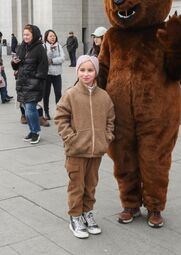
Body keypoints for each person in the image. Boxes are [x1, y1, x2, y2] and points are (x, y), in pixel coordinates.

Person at [55, 55, 115, 239]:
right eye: (82, 70)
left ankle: (87, 212)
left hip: (96, 151)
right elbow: (60, 117)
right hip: (76, 151)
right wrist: (70, 138)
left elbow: (110, 120)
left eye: (90, 70)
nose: (86, 74)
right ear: (77, 72)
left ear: (96, 72)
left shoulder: (104, 96)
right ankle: (75, 216)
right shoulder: (71, 94)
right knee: (77, 185)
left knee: (90, 185)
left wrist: (107, 137)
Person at [12, 24, 49, 144]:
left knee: (30, 109)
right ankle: (32, 131)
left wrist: (37, 80)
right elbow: (17, 65)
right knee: (26, 109)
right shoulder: (22, 47)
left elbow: (43, 68)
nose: (25, 37)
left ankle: (36, 132)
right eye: (24, 34)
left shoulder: (39, 48)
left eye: (28, 34)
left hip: (34, 84)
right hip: (23, 83)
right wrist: (14, 62)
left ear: (34, 35)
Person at [43, 29, 65, 120]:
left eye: (54, 36)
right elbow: (44, 59)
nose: (53, 37)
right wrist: (50, 51)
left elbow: (63, 58)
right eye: (50, 36)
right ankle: (46, 113)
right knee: (46, 94)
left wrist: (52, 61)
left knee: (58, 93)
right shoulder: (43, 46)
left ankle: (59, 112)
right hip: (47, 74)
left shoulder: (59, 46)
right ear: (46, 37)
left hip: (57, 74)